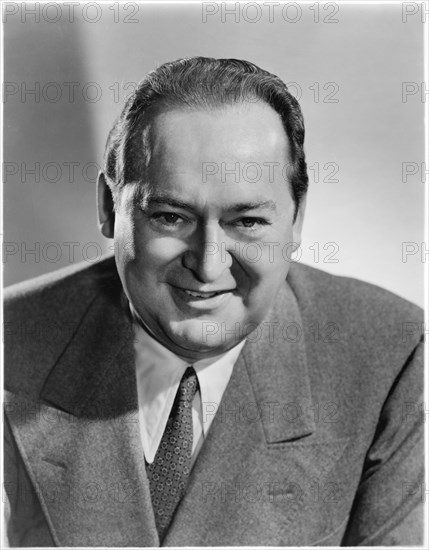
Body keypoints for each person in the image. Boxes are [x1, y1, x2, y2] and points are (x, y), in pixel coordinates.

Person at [3, 57, 424, 547]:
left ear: (298, 219)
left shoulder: (394, 355)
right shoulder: (9, 341)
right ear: (107, 206)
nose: (207, 265)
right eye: (170, 216)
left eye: (246, 222)